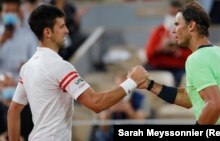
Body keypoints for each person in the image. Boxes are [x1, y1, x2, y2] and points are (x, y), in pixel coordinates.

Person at [7, 4, 148, 141]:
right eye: (62, 26)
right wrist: (132, 82)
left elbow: (13, 111)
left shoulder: (27, 67)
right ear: (47, 32)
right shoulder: (60, 66)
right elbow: (96, 103)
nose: (67, 30)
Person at [139, 1, 220, 125]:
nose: (173, 30)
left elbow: (215, 104)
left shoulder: (196, 59)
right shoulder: (219, 51)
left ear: (191, 26)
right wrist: (149, 84)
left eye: (177, 24)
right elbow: (189, 99)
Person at [88, 72, 150, 141]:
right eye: (120, 87)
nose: (123, 91)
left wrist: (129, 110)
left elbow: (140, 123)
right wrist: (110, 110)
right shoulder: (106, 97)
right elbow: (103, 127)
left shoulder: (139, 98)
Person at [145, 0, 192, 87]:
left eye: (175, 15)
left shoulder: (186, 33)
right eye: (171, 14)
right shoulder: (159, 31)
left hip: (178, 69)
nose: (172, 18)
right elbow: (149, 55)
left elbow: (192, 55)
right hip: (158, 66)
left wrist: (177, 52)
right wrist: (160, 49)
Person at [0, 0, 38, 80]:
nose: (10, 14)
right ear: (1, 13)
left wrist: (27, 65)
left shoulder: (29, 36)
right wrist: (1, 41)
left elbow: (36, 62)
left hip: (21, 82)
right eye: (7, 11)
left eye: (13, 11)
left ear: (18, 13)